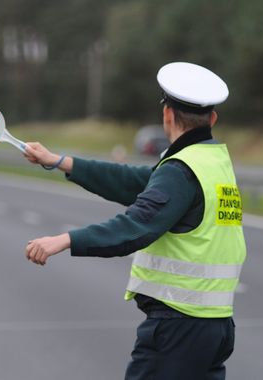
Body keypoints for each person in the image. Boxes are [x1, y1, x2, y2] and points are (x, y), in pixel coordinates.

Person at [22, 62, 246, 380]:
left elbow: (136, 226)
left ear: (167, 114)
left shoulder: (181, 170)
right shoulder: (211, 162)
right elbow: (133, 181)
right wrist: (59, 161)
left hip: (179, 328)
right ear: (213, 118)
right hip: (215, 326)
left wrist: (64, 239)